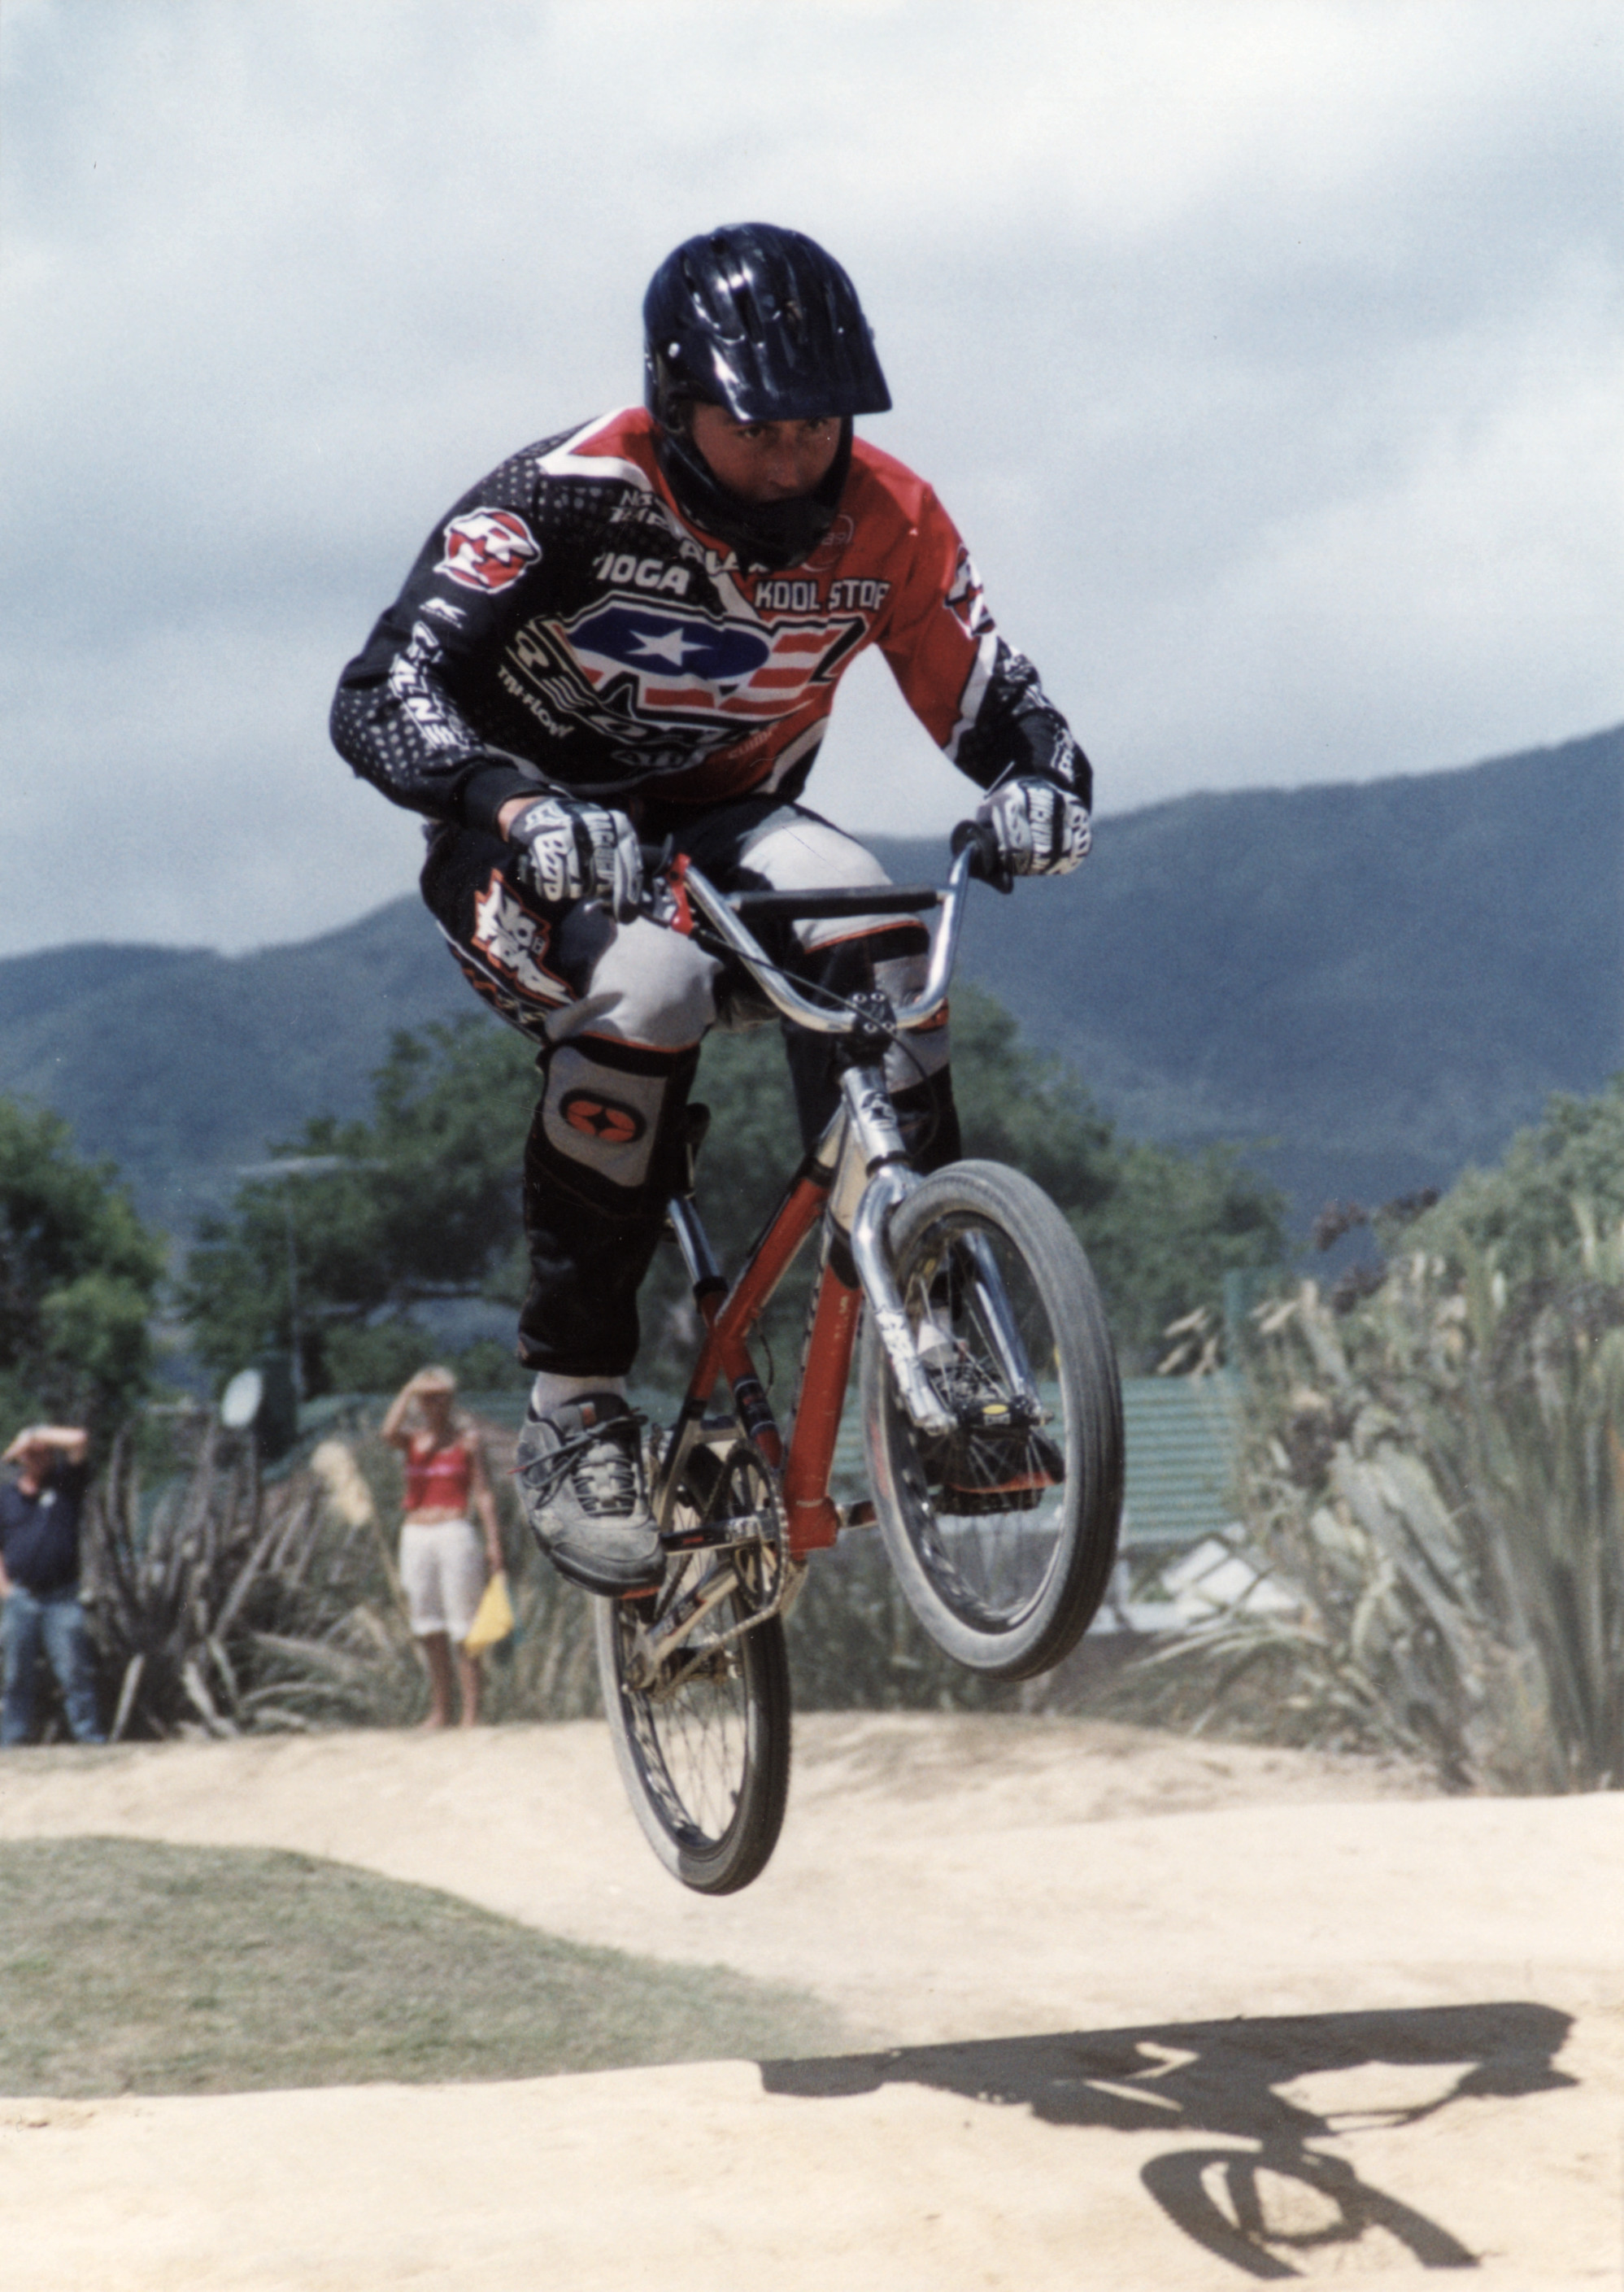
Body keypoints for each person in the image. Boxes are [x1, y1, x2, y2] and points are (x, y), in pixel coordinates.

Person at [332, 222, 1092, 1598]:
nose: (800, 453)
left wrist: (1040, 777)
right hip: (531, 840)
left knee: (870, 911)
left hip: (727, 829)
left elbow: (988, 691)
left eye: (825, 422)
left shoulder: (891, 521)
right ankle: (574, 1409)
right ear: (678, 402)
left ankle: (937, 1320)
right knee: (654, 992)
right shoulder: (561, 499)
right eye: (763, 425)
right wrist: (514, 805)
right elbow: (380, 692)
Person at [381, 1367, 504, 1728]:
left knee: (463, 1625)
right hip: (417, 1532)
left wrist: (493, 1541)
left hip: (454, 1530)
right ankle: (440, 1711)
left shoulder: (467, 1441)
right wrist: (408, 1388)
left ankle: (471, 1713)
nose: (433, 1404)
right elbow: (387, 1432)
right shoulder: (413, 1441)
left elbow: (483, 1493)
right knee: (428, 1624)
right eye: (427, 1397)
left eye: (441, 1396)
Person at [0, 1423, 107, 1745]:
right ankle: (11, 1742)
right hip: (21, 1598)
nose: (38, 1458)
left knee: (74, 1671)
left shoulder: (65, 1485)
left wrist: (34, 1433)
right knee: (16, 1675)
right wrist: (4, 1588)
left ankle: (89, 1738)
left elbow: (80, 1439)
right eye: (31, 1454)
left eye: (44, 1452)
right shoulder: (5, 1497)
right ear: (22, 1459)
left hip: (62, 1598)